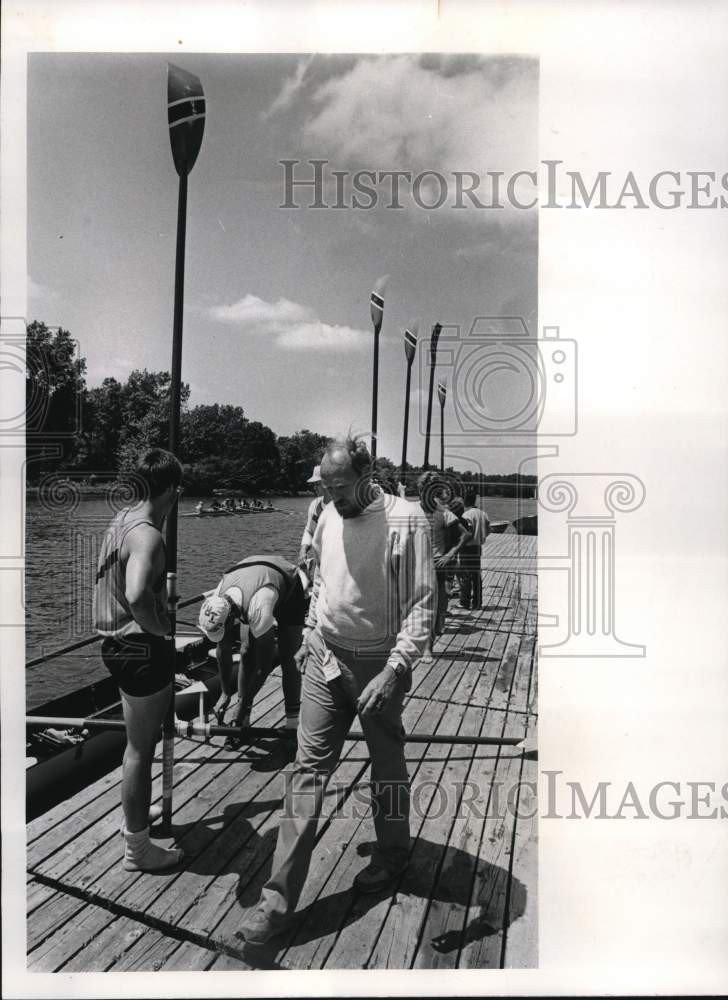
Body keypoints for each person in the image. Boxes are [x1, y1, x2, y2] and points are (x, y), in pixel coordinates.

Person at [239, 435, 435, 945]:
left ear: (367, 477)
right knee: (306, 772)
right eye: (326, 488)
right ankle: (275, 905)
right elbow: (320, 581)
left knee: (387, 763)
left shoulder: (407, 519)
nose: (334, 498)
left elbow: (422, 603)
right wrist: (308, 631)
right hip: (325, 658)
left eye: (342, 489)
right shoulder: (326, 512)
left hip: (379, 661)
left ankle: (392, 854)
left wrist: (394, 670)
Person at [92, 448, 184, 872]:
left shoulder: (121, 520)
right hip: (140, 648)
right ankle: (139, 850)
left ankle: (135, 817)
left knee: (136, 747)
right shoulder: (147, 533)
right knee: (140, 750)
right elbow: (134, 594)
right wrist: (161, 628)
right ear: (170, 489)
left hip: (114, 644)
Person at [197, 555, 307, 736]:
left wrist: (243, 702)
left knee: (289, 659)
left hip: (288, 585)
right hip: (253, 579)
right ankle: (242, 721)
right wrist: (225, 693)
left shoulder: (258, 607)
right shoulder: (218, 598)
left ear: (231, 617)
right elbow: (222, 650)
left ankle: (292, 723)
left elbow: (264, 667)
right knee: (246, 652)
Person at [417, 472, 472, 657]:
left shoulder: (444, 512)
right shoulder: (411, 510)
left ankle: (427, 648)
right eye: (424, 489)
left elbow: (465, 535)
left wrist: (450, 555)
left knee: (435, 607)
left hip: (436, 564)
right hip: (414, 563)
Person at [457, 489, 491, 609]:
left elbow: (468, 532)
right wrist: (481, 537)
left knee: (465, 575)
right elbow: (488, 530)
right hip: (478, 547)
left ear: (465, 501)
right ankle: (477, 602)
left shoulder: (466, 515)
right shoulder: (483, 513)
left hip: (467, 548)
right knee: (476, 575)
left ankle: (464, 602)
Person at [297, 464, 330, 565]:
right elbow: (309, 531)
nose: (314, 487)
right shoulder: (314, 505)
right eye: (313, 484)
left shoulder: (341, 506)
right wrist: (303, 551)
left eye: (317, 484)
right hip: (319, 566)